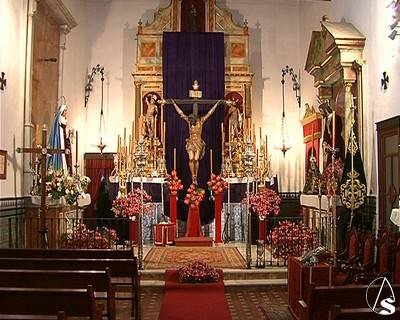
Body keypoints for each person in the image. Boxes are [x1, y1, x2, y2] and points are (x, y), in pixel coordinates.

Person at [171, 99, 222, 185]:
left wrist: (216, 104)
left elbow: (209, 113)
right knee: (191, 159)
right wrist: (174, 104)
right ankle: (193, 176)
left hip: (198, 142)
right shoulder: (189, 123)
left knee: (196, 159)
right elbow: (181, 113)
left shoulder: (201, 121)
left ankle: (196, 176)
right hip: (191, 142)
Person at [47, 104, 72, 175]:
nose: (66, 112)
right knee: (61, 152)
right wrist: (68, 132)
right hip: (60, 138)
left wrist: (68, 132)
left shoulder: (62, 119)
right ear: (62, 111)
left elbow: (63, 130)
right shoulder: (60, 118)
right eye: (65, 110)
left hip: (62, 137)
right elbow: (61, 130)